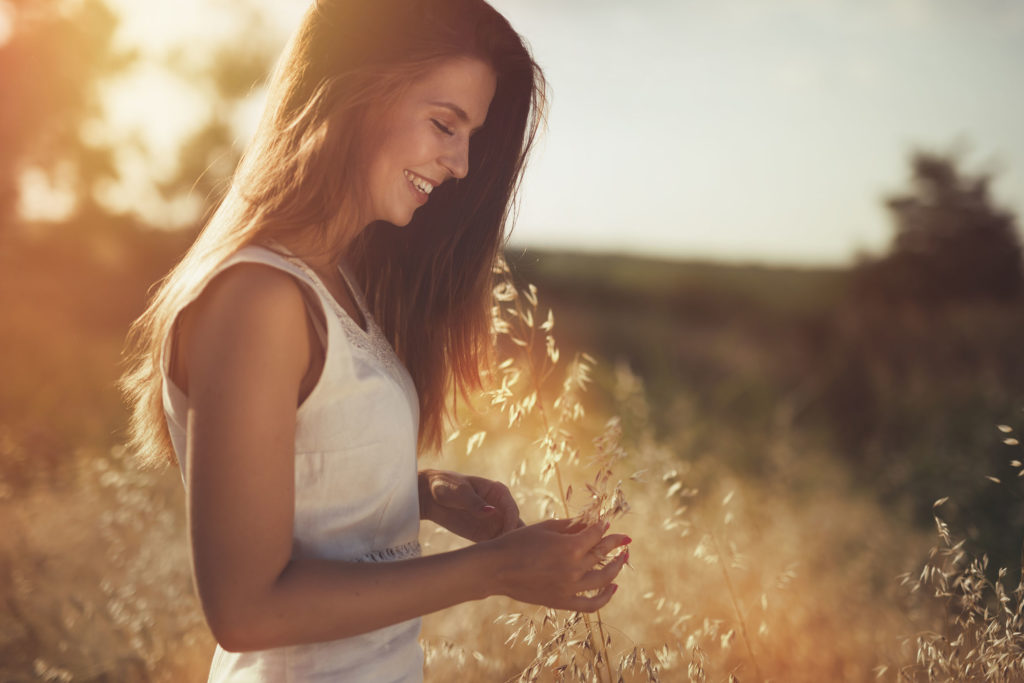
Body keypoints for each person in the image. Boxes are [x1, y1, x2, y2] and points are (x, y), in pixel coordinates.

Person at [120, 0, 629, 680]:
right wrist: (495, 569)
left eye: (470, 135)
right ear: (353, 89)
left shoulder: (339, 285)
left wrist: (415, 494)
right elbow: (246, 610)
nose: (461, 164)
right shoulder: (259, 299)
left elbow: (301, 483)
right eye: (445, 124)